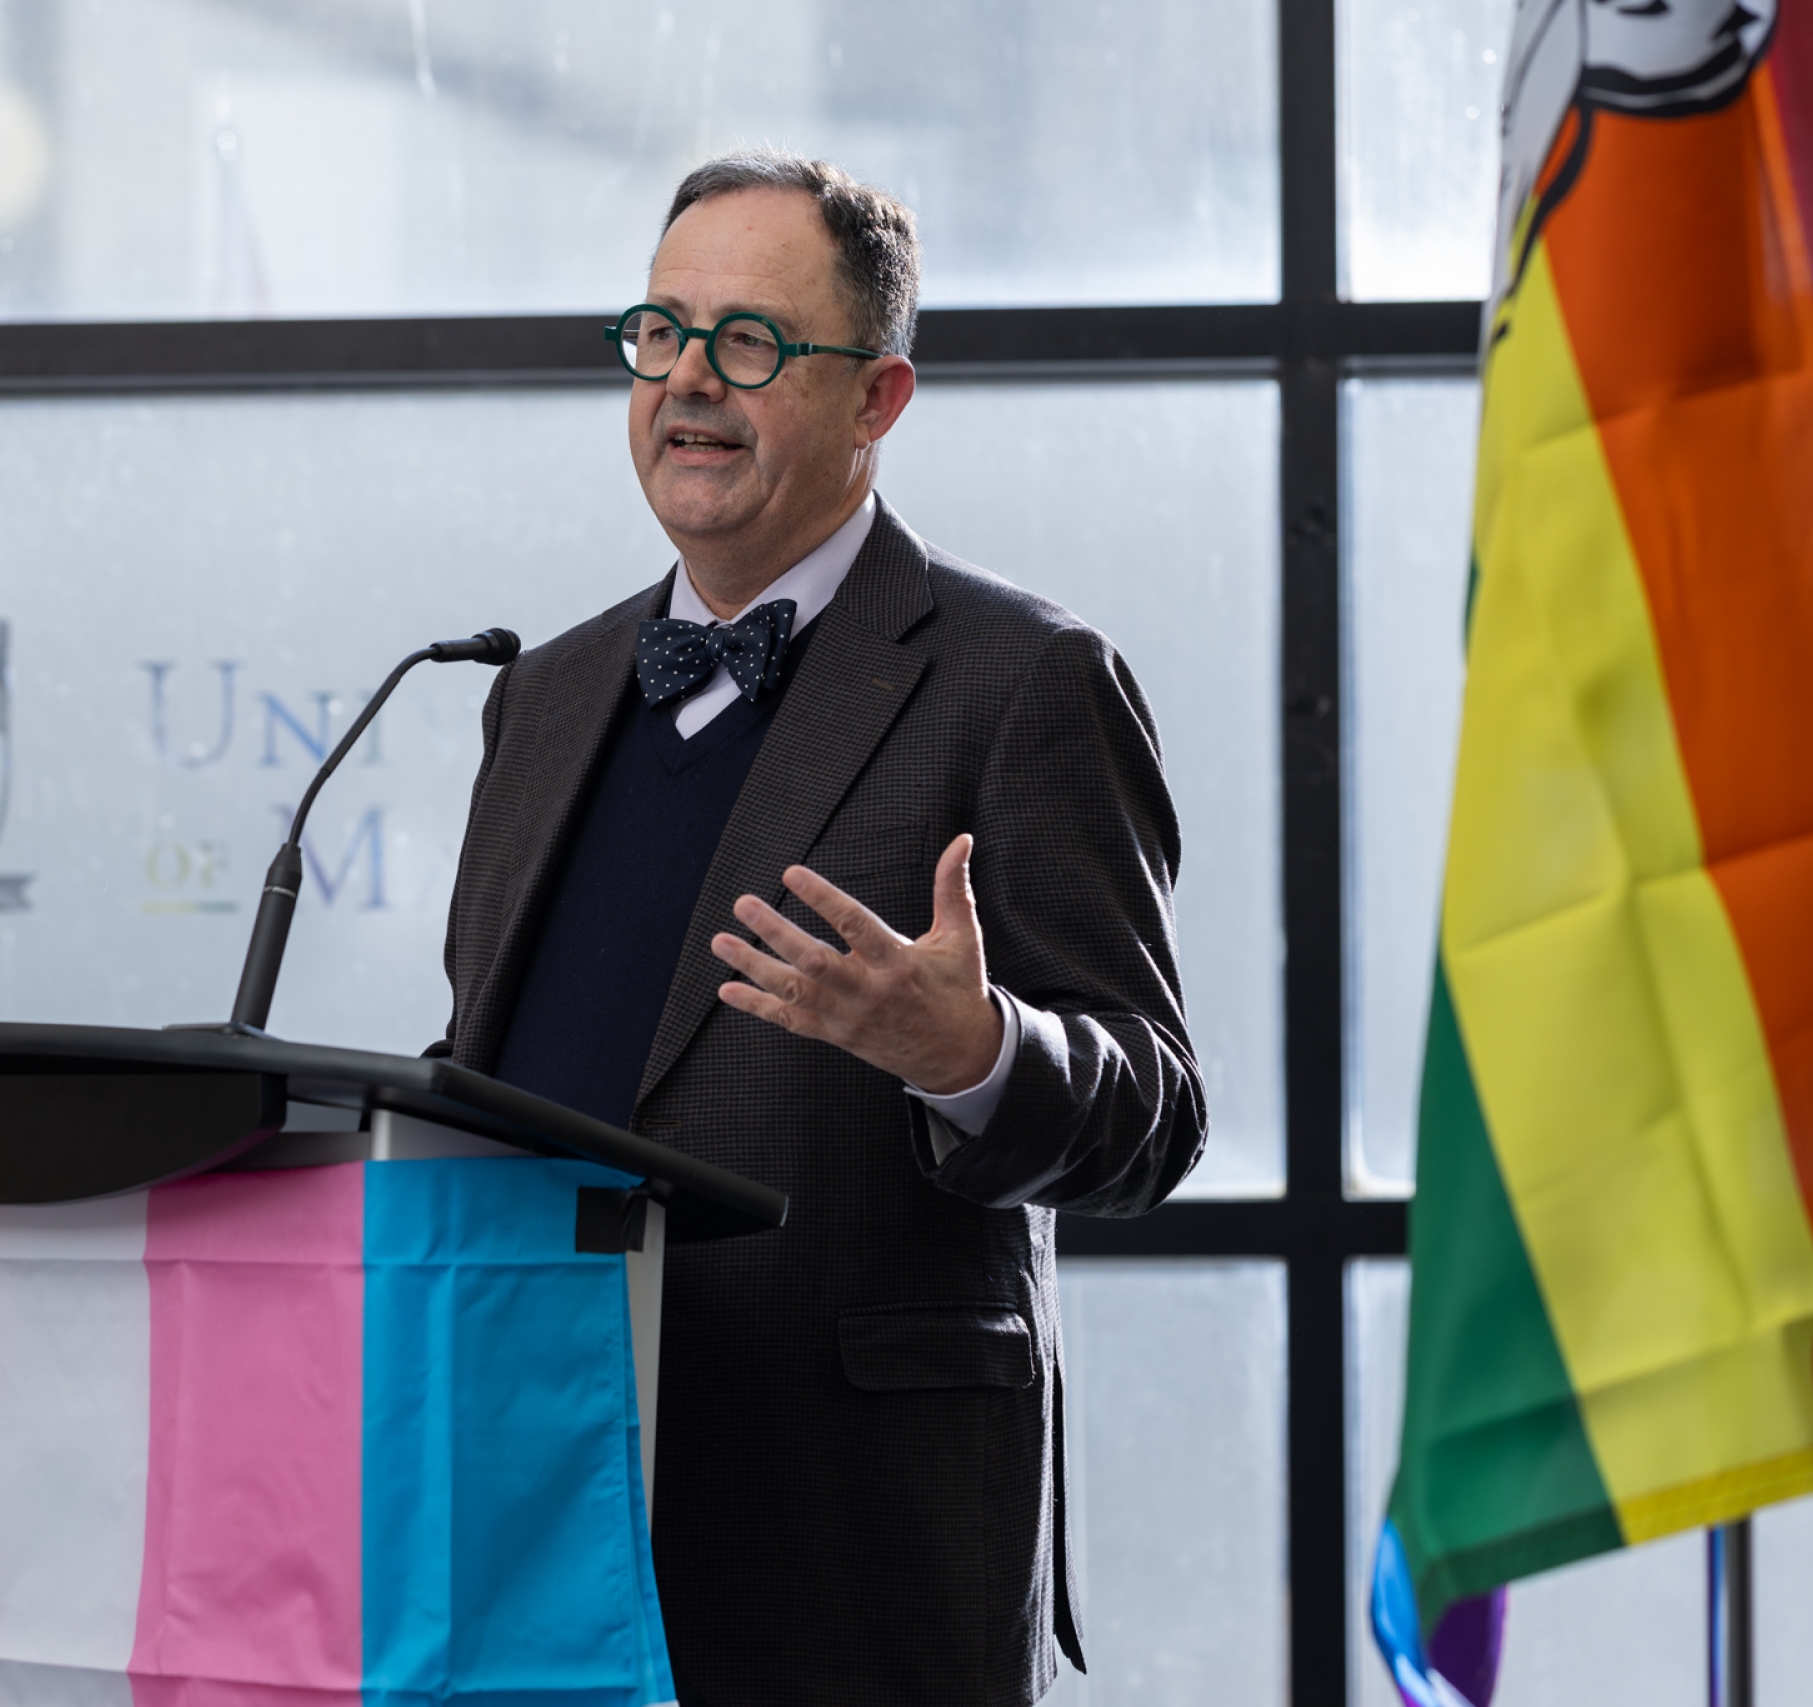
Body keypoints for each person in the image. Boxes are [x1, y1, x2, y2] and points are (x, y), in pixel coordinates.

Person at [432, 151, 1207, 1707]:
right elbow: (487, 1072)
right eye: (662, 333)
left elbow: (1155, 1112)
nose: (691, 385)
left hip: (854, 1542)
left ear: (879, 400)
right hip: (527, 1511)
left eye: (753, 343)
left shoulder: (1022, 681)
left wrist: (974, 1055)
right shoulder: (543, 694)